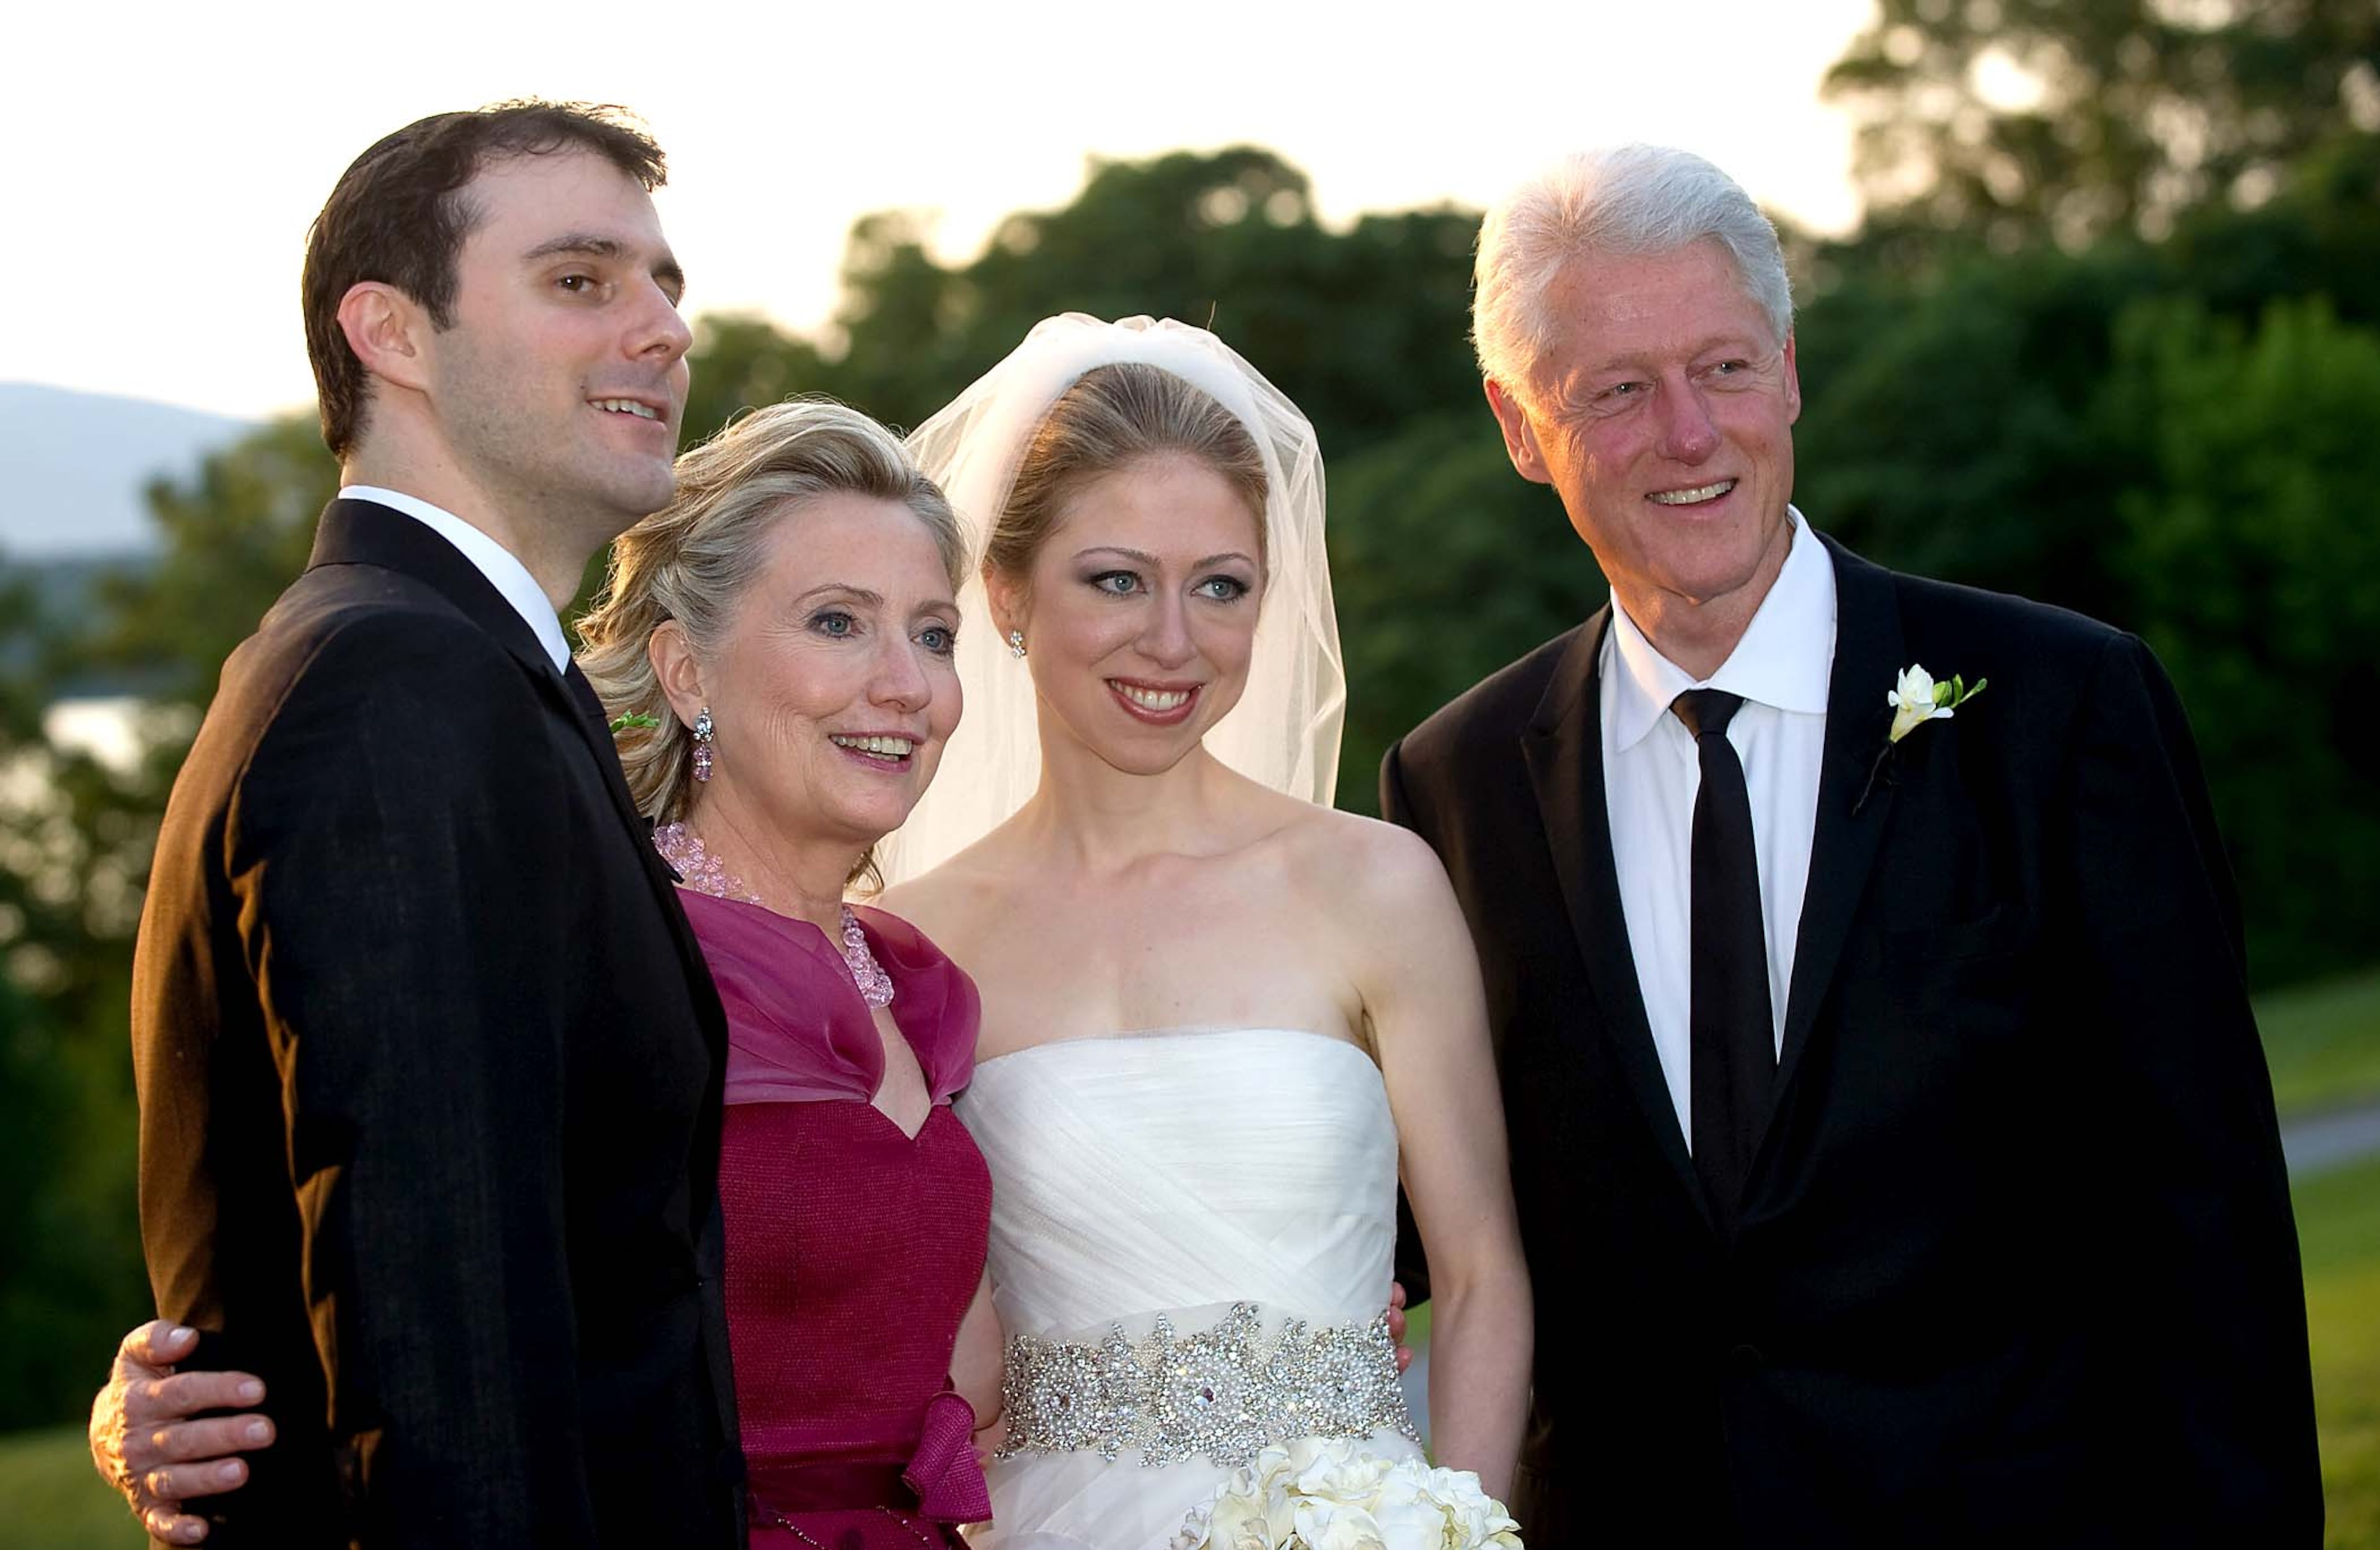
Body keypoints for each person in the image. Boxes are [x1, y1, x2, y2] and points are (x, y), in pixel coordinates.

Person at [1379, 144, 2322, 1544]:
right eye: (1618, 391)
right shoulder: (1453, 785)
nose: (1691, 435)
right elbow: (1417, 1231)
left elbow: (2208, 1214)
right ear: (1521, 428)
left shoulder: (2065, 707)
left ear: (1792, 372)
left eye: (1726, 368)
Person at [111, 101, 743, 1546]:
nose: (660, 328)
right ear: (392, 333)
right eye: (583, 280)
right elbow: (437, 1329)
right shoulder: (396, 684)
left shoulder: (490, 675)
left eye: (665, 287)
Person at [878, 315, 1533, 1549]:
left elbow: (1486, 1274)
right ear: (1008, 592)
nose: (1173, 642)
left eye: (1220, 587)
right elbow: (931, 1342)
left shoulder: (1377, 886)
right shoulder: (917, 942)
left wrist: (1462, 1524)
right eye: (1116, 578)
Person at [576, 399, 996, 1547]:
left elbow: (975, 1378)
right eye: (836, 622)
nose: (906, 683)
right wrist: (155, 1406)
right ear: (686, 669)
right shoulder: (608, 961)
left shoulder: (924, 991)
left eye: (934, 633)